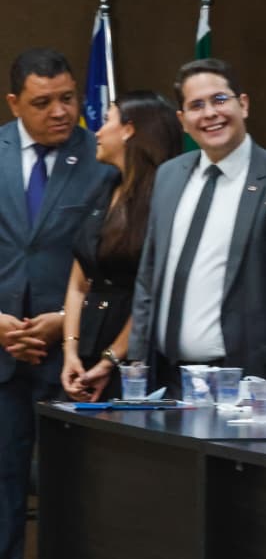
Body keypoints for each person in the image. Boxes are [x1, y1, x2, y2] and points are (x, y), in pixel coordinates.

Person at [0, 49, 114, 559]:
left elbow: (118, 260)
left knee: (76, 488)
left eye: (68, 98)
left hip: (73, 353)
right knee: (2, 483)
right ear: (14, 103)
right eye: (42, 103)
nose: (61, 111)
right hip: (1, 351)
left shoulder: (103, 159)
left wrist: (62, 322)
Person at [128, 59, 266, 398]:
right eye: (196, 106)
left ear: (243, 105)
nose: (210, 113)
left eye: (220, 100)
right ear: (182, 121)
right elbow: (148, 275)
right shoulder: (168, 176)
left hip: (245, 380)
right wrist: (136, 360)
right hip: (164, 378)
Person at [61, 92, 183, 402]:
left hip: (136, 360)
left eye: (106, 121)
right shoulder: (105, 186)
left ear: (129, 130)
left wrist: (111, 359)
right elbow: (78, 283)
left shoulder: (163, 197)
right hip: (88, 347)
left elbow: (153, 293)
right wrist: (70, 350)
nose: (97, 132)